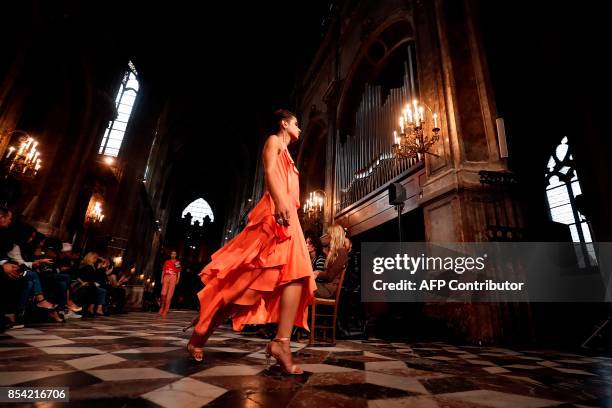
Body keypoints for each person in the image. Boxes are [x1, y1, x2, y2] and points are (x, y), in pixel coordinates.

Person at [188, 109, 315, 374]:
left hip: (288, 216)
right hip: (274, 215)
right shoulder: (274, 141)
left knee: (298, 273)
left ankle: (281, 342)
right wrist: (280, 202)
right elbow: (269, 171)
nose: (300, 129)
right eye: (296, 124)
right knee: (244, 285)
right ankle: (201, 331)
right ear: (284, 124)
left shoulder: (290, 154)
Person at [314, 224, 348, 299]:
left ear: (334, 236)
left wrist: (317, 273)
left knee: (302, 286)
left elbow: (329, 276)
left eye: (328, 235)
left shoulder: (341, 252)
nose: (326, 237)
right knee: (301, 284)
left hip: (328, 290)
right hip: (325, 286)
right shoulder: (334, 252)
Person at [159, 250, 181, 317]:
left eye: (174, 254)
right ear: (170, 255)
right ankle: (162, 307)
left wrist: (177, 279)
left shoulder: (177, 262)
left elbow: (179, 272)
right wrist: (162, 278)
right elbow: (163, 271)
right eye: (172, 254)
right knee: (163, 294)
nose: (173, 255)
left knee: (169, 295)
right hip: (166, 277)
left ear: (176, 255)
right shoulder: (167, 261)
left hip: (173, 277)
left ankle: (166, 309)